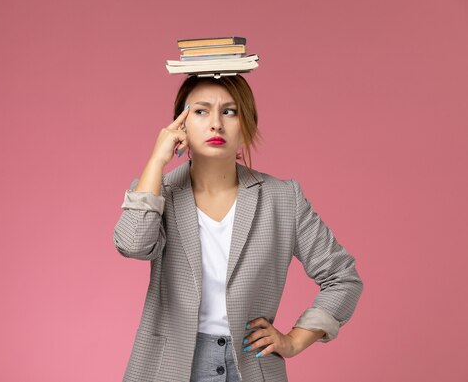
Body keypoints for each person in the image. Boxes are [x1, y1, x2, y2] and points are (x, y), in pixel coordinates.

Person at [113, 74, 363, 382]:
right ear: (180, 124)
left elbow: (343, 278)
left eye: (229, 111)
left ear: (246, 125)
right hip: (169, 366)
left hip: (251, 366)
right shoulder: (156, 191)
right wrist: (156, 161)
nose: (216, 124)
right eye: (201, 111)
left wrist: (296, 340)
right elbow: (133, 244)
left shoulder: (283, 198)